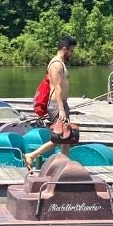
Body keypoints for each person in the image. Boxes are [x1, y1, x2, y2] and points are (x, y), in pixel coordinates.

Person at [24, 35, 78, 170]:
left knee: (67, 137)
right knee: (60, 137)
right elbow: (56, 87)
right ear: (64, 49)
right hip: (56, 105)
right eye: (71, 51)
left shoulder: (61, 64)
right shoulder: (56, 64)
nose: (72, 54)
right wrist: (61, 109)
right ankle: (31, 155)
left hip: (62, 104)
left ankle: (65, 166)